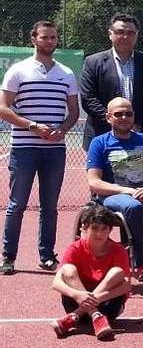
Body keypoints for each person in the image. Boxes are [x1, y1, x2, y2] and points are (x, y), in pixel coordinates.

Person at [0, 20, 79, 274]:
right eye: (45, 37)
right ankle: (8, 257)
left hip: (55, 150)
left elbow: (74, 112)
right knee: (17, 205)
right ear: (33, 39)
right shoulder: (18, 71)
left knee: (50, 206)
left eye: (54, 38)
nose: (50, 42)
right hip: (24, 148)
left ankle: (46, 256)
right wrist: (33, 126)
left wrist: (63, 129)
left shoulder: (66, 73)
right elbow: (3, 108)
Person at [86, 97, 143, 278]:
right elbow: (94, 182)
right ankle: (141, 262)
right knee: (133, 206)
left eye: (128, 114)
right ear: (108, 117)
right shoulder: (99, 143)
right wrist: (128, 191)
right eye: (118, 114)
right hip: (113, 197)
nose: (124, 117)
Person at [80, 13, 143, 150]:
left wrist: (136, 124)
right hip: (102, 135)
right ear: (110, 34)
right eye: (120, 32)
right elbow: (88, 98)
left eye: (130, 33)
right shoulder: (93, 62)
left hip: (140, 135)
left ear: (137, 35)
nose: (125, 36)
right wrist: (116, 122)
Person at [50, 204, 132, 340]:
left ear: (110, 230)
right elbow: (56, 283)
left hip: (107, 307)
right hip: (75, 302)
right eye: (94, 229)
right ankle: (95, 315)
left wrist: (95, 299)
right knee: (68, 269)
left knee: (117, 272)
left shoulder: (119, 250)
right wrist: (77, 294)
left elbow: (127, 286)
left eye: (104, 229)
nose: (99, 234)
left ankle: (75, 316)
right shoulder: (74, 248)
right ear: (84, 228)